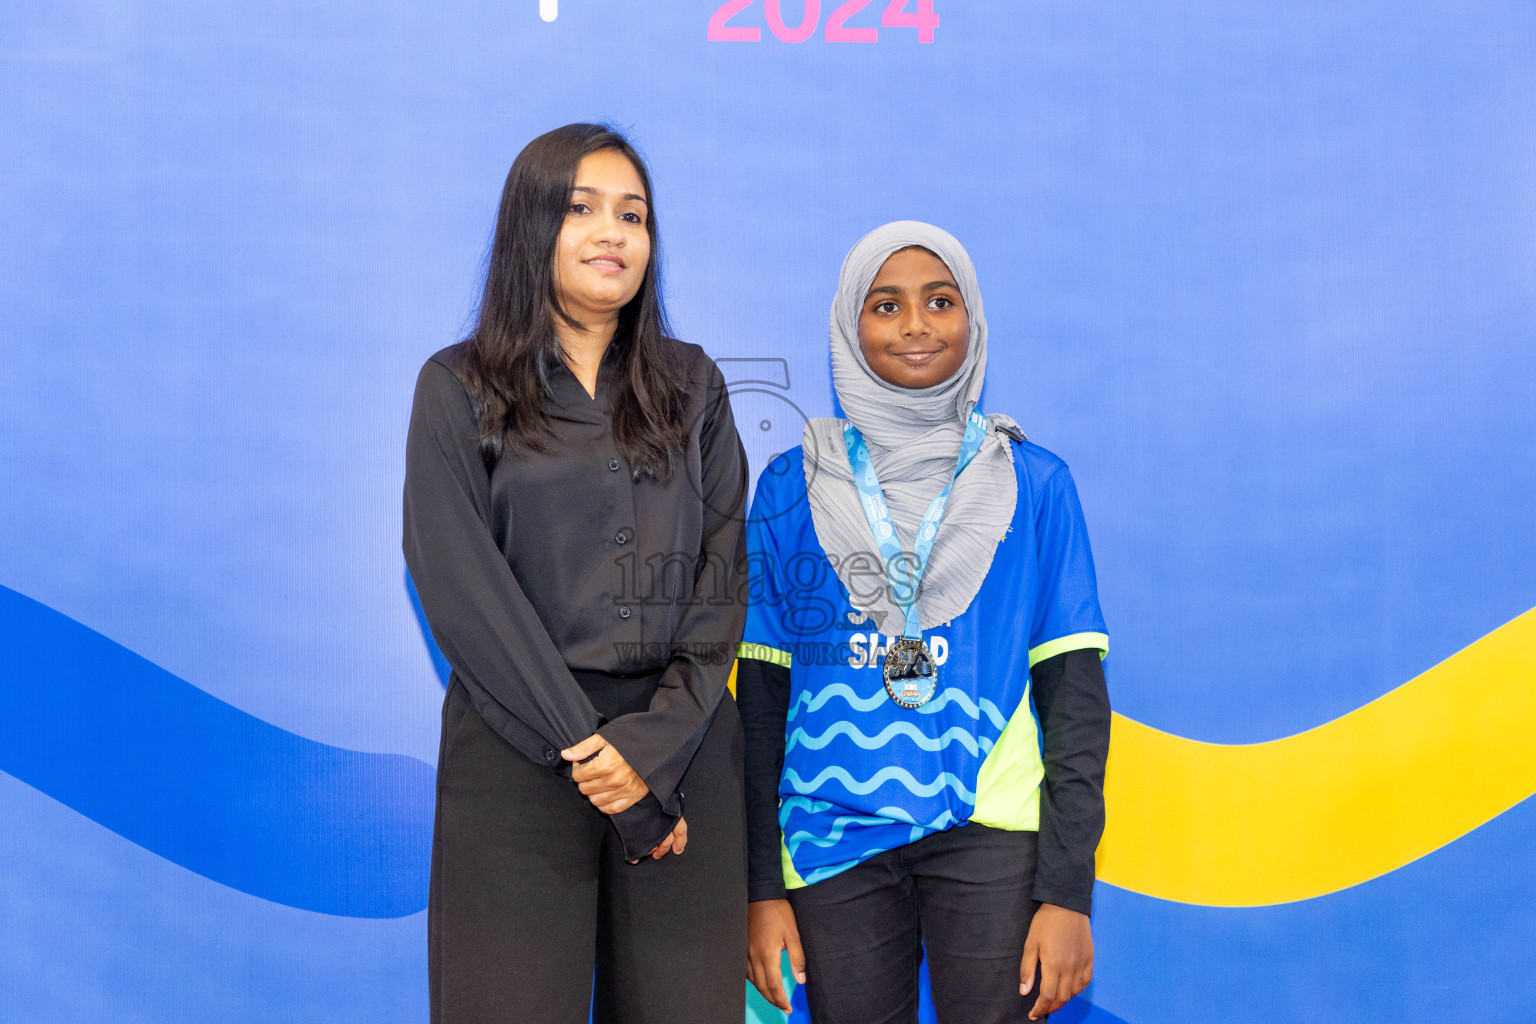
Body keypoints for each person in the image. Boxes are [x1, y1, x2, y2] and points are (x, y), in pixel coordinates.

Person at [403, 123, 749, 1024]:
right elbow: (459, 585)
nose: (612, 233)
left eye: (631, 215)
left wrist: (649, 752)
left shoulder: (694, 386)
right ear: (531, 228)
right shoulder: (457, 386)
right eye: (582, 209)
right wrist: (591, 755)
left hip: (681, 758)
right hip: (517, 756)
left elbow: (720, 578)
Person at [738, 222, 1111, 1023]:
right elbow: (761, 707)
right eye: (885, 305)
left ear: (972, 319)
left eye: (940, 301)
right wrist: (760, 888)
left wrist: (1067, 894)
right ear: (848, 326)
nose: (915, 324)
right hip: (830, 837)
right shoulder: (786, 487)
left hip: (991, 834)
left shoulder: (1035, 484)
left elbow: (1076, 704)